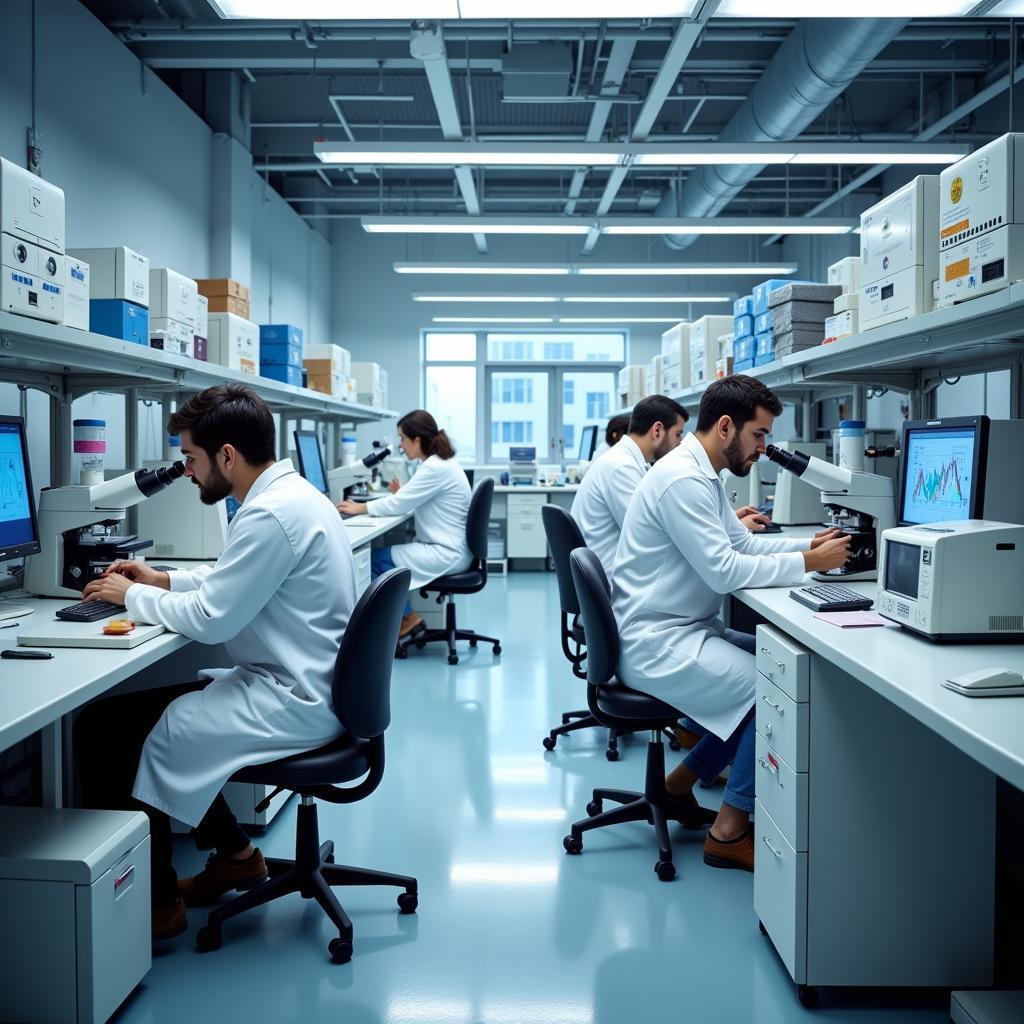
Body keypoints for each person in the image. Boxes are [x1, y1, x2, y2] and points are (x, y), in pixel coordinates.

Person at [75, 384, 357, 940]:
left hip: (294, 699)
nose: (189, 472)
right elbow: (234, 579)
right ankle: (237, 857)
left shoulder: (270, 514)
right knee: (154, 718)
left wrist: (127, 597)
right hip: (305, 685)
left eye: (192, 459)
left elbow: (211, 620)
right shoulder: (289, 497)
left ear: (227, 455)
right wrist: (162, 579)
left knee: (110, 729)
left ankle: (158, 908)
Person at [611, 376, 852, 872]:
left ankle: (679, 784)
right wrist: (810, 564)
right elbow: (725, 570)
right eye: (759, 435)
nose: (764, 448)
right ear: (726, 426)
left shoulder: (701, 473)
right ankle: (728, 830)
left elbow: (738, 546)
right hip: (658, 640)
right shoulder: (683, 480)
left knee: (773, 663)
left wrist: (809, 549)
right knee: (772, 691)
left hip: (681, 627)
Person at [338, 410, 471, 639]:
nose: (401, 445)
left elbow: (399, 504)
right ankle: (403, 619)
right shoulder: (439, 464)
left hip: (446, 552)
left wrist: (361, 508)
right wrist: (403, 495)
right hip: (451, 548)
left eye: (402, 438)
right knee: (382, 559)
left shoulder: (434, 468)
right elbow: (410, 499)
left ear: (417, 440)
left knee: (374, 562)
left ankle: (407, 618)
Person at [570, 395, 688, 573]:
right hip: (612, 579)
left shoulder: (628, 461)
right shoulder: (621, 467)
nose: (680, 443)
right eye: (678, 434)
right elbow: (648, 532)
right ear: (657, 430)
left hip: (606, 571)